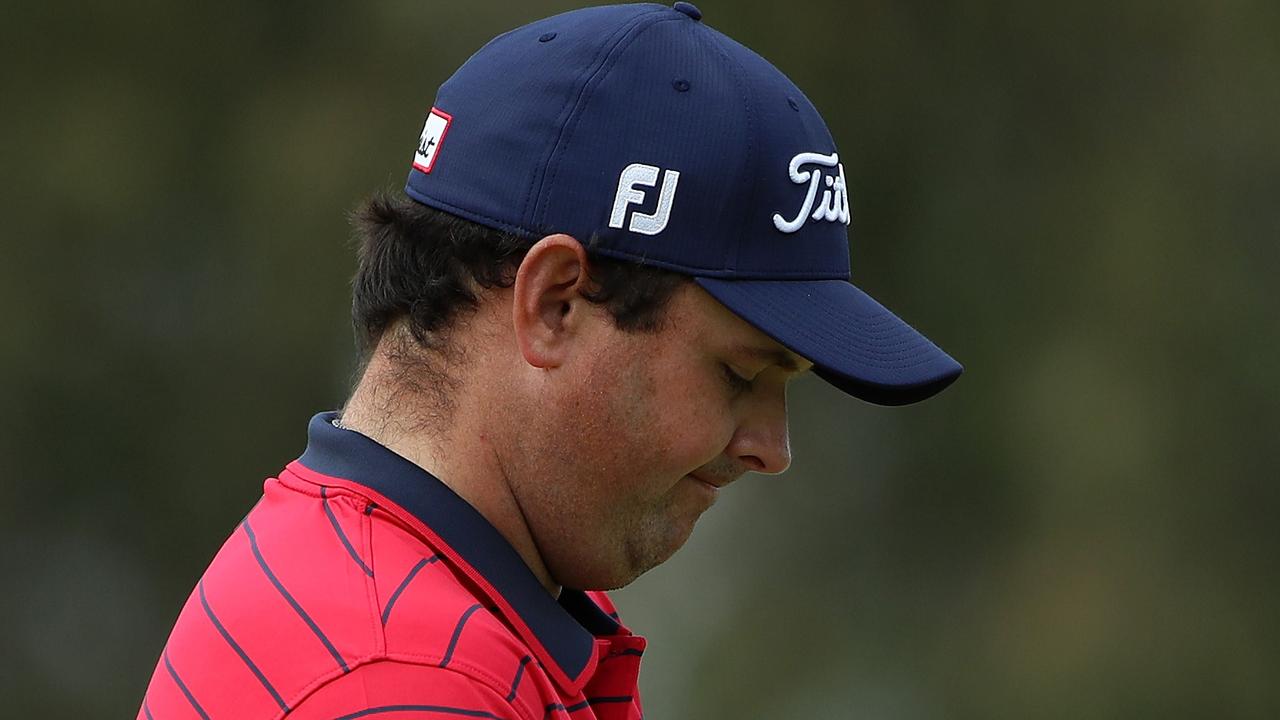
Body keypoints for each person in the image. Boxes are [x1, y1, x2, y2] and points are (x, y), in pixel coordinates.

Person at [136, 3, 962, 719]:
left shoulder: (454, 599)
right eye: (741, 374)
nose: (771, 449)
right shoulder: (400, 680)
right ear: (556, 302)